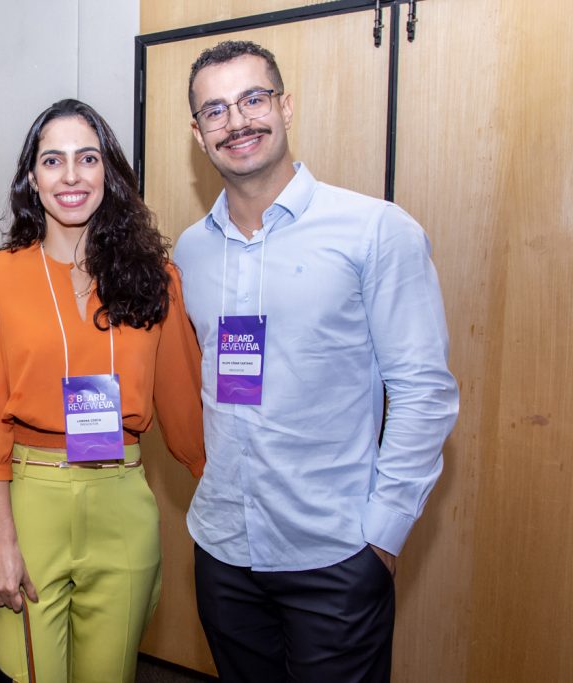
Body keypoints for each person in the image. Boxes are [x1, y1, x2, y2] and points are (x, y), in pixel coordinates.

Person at [173, 40, 460, 682]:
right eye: (215, 111)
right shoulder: (190, 253)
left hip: (334, 554)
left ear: (287, 105)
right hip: (224, 550)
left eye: (254, 99)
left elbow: (423, 393)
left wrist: (382, 537)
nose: (237, 121)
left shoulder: (375, 231)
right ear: (198, 134)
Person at [0, 98, 205, 683]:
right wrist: (1, 539)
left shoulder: (155, 275)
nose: (70, 175)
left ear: (109, 173)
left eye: (87, 158)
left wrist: (234, 495)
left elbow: (183, 404)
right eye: (53, 160)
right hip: (28, 500)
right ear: (31, 178)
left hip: (122, 500)